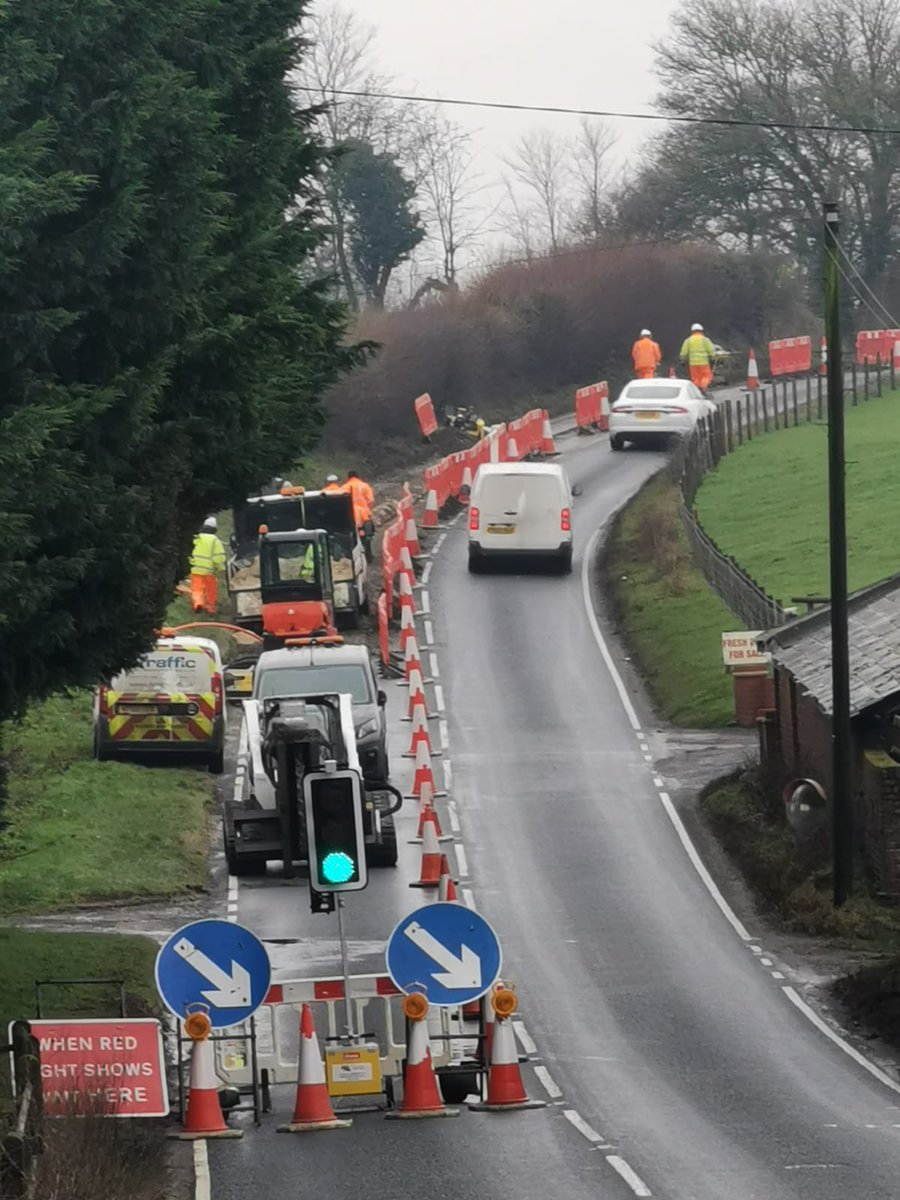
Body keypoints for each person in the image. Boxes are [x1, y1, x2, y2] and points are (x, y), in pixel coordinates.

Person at [190, 517, 226, 614]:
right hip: (209, 571)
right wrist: (221, 568)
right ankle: (210, 607)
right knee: (211, 589)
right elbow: (218, 557)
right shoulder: (215, 540)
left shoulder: (196, 537)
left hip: (195, 569)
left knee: (197, 588)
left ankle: (198, 604)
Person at [343, 470, 376, 561]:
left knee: (351, 537)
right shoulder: (364, 486)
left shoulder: (344, 487)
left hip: (350, 515)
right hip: (364, 515)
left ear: (348, 478)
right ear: (358, 476)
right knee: (367, 537)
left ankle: (353, 557)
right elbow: (370, 500)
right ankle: (368, 556)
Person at [680, 323, 717, 393]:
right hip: (704, 362)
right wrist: (713, 357)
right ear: (701, 331)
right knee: (706, 377)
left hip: (693, 363)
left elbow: (684, 351)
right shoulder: (705, 340)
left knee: (695, 378)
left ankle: (696, 391)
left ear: (692, 331)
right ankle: (703, 389)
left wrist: (683, 360)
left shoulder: (688, 340)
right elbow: (711, 350)